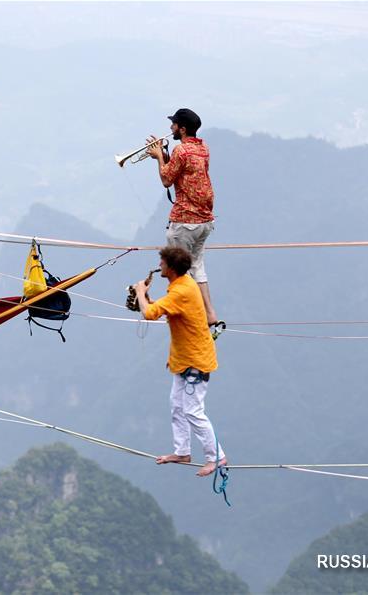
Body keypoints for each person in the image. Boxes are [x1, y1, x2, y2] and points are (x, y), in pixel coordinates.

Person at [133, 246, 226, 477]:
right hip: (184, 359)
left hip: (196, 361)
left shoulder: (181, 291)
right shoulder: (182, 285)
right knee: (177, 405)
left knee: (193, 411)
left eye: (162, 262)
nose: (160, 266)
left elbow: (150, 314)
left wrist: (139, 293)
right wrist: (147, 299)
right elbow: (167, 308)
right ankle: (182, 451)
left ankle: (217, 457)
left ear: (171, 267)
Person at [146, 108, 221, 334]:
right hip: (204, 221)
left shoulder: (181, 150)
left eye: (174, 125)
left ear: (183, 128)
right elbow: (183, 171)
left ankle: (190, 319)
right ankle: (209, 314)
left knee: (179, 274)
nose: (171, 128)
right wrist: (166, 156)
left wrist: (159, 157)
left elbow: (167, 179)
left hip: (184, 222)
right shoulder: (203, 148)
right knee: (197, 267)